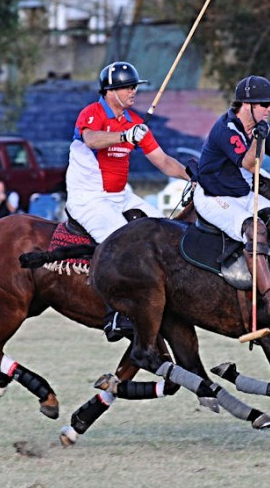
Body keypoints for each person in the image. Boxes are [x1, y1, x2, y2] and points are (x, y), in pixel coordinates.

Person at [65, 61, 189, 340]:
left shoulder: (135, 121)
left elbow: (164, 161)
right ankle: (115, 313)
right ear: (111, 91)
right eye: (128, 87)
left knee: (163, 230)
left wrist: (192, 175)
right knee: (122, 245)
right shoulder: (92, 113)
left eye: (135, 86)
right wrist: (124, 135)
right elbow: (92, 139)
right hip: (89, 199)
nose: (134, 91)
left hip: (120, 196)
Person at [194, 75, 270, 322]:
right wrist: (258, 139)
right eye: (264, 104)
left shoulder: (264, 128)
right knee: (256, 229)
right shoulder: (225, 129)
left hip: (243, 192)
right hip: (214, 195)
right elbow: (250, 163)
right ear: (246, 105)